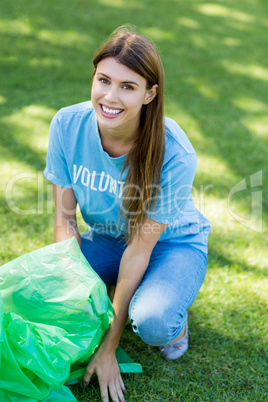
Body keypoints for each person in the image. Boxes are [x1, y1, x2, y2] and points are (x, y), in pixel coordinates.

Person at [44, 25, 211, 402]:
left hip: (172, 244)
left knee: (151, 321)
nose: (110, 96)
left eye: (127, 86)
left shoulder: (175, 153)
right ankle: (107, 291)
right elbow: (64, 221)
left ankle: (175, 321)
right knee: (52, 289)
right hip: (107, 237)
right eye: (104, 80)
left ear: (150, 93)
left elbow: (140, 248)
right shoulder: (67, 125)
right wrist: (74, 285)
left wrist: (107, 347)